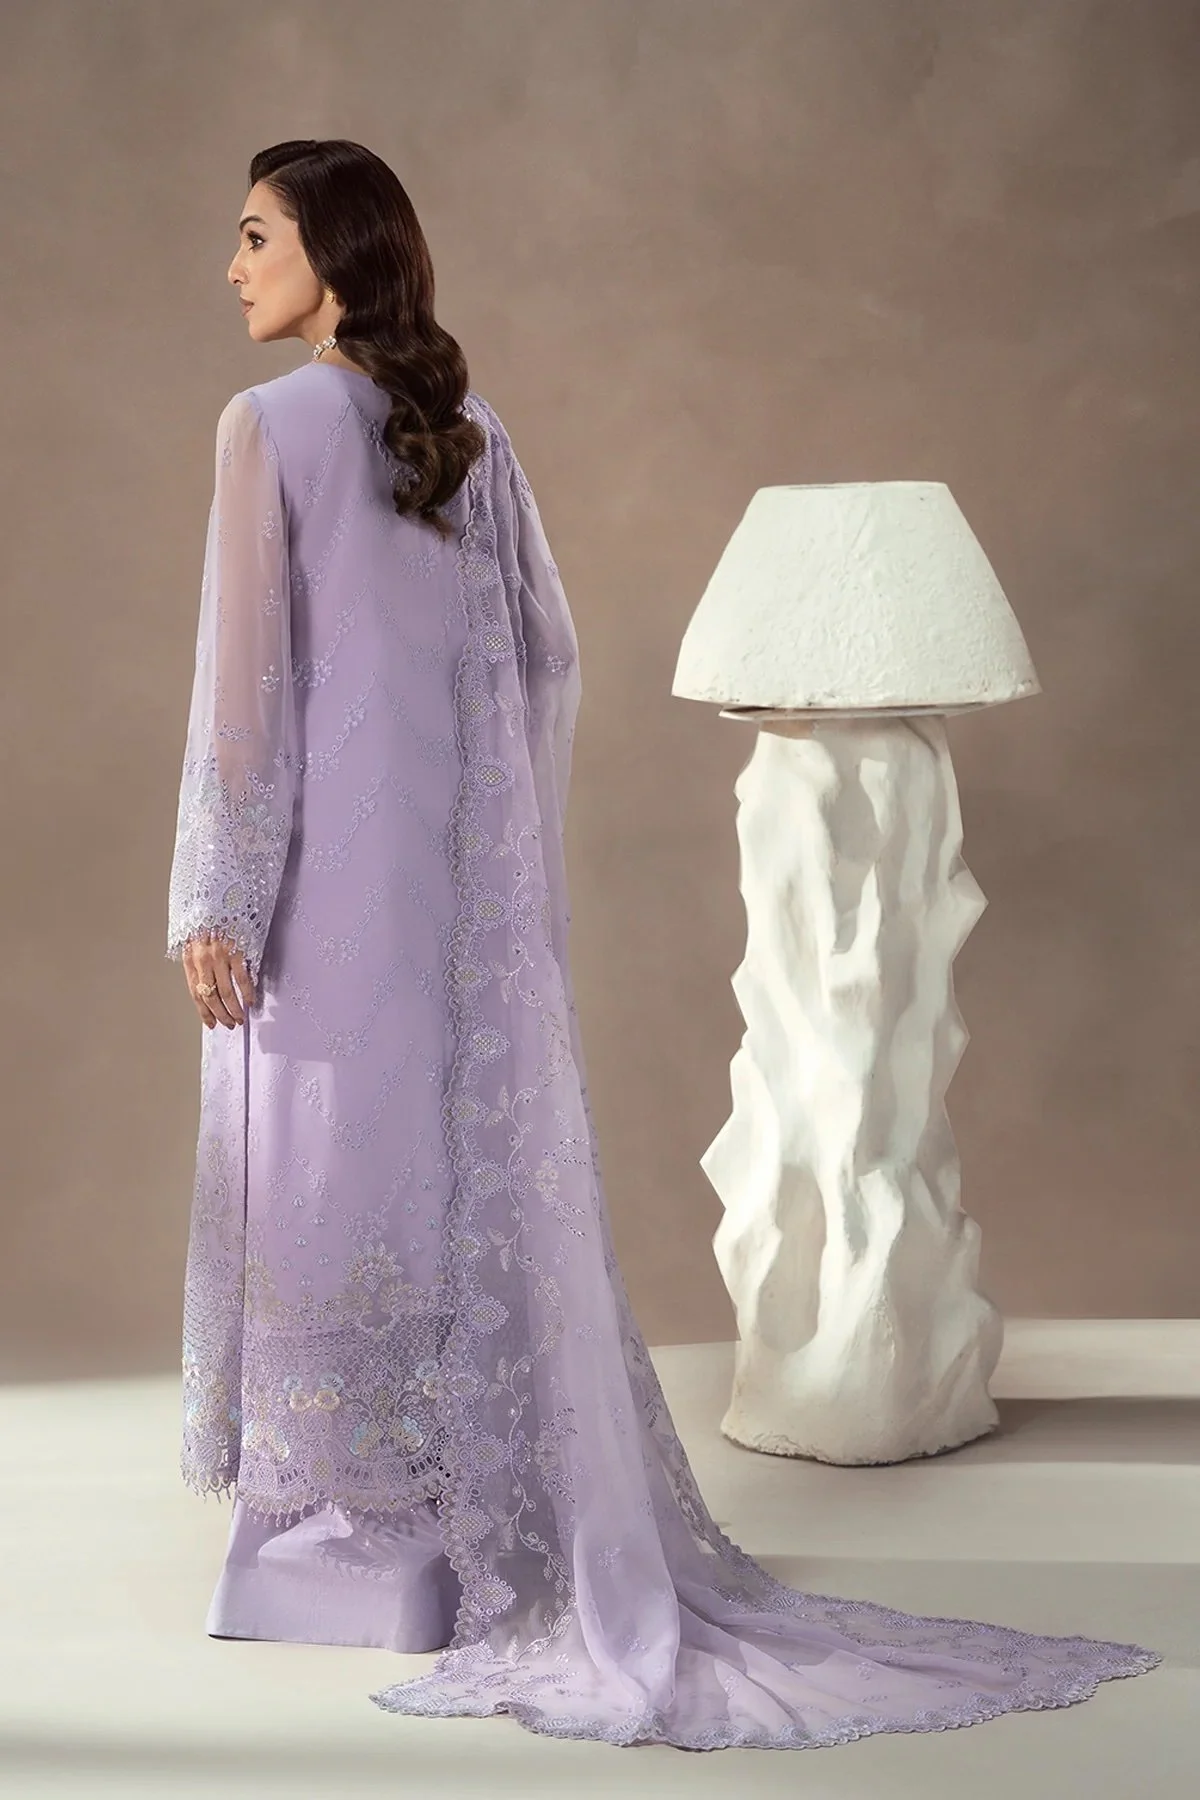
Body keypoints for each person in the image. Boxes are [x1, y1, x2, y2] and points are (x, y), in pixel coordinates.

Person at [165, 138, 1161, 1750]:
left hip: (314, 890)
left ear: (333, 254)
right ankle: (436, 1530)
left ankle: (343, 1542)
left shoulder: (265, 428)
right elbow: (543, 664)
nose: (232, 266)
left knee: (318, 1176)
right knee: (421, 1188)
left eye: (256, 235)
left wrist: (215, 895)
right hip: (444, 899)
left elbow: (244, 684)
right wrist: (500, 888)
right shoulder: (471, 433)